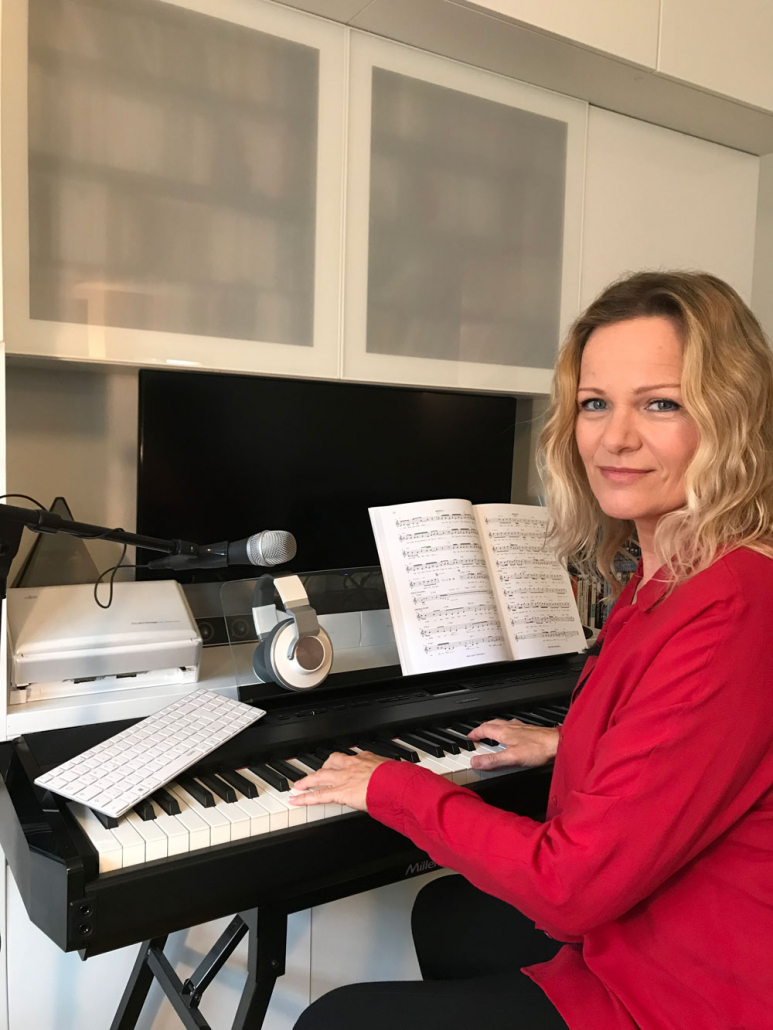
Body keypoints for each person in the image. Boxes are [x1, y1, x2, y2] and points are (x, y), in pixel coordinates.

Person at [288, 271, 773, 1030]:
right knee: (446, 913)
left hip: (690, 990)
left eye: (660, 403)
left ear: (730, 417)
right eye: (594, 403)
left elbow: (567, 889)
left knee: (337, 1020)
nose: (614, 438)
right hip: (645, 922)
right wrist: (565, 741)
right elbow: (688, 739)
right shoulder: (664, 574)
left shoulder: (736, 602)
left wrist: (391, 786)